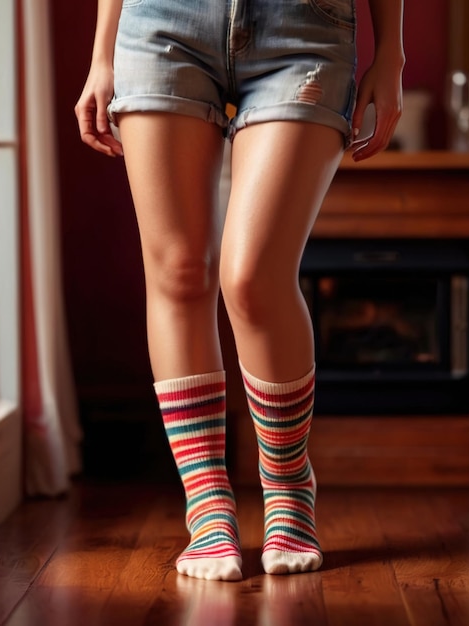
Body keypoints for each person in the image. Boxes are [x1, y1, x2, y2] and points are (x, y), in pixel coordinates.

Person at [76, 0, 404, 582]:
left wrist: (392, 50)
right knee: (177, 270)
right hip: (161, 21)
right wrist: (103, 53)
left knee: (253, 275)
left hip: (305, 26)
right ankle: (207, 508)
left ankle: (286, 485)